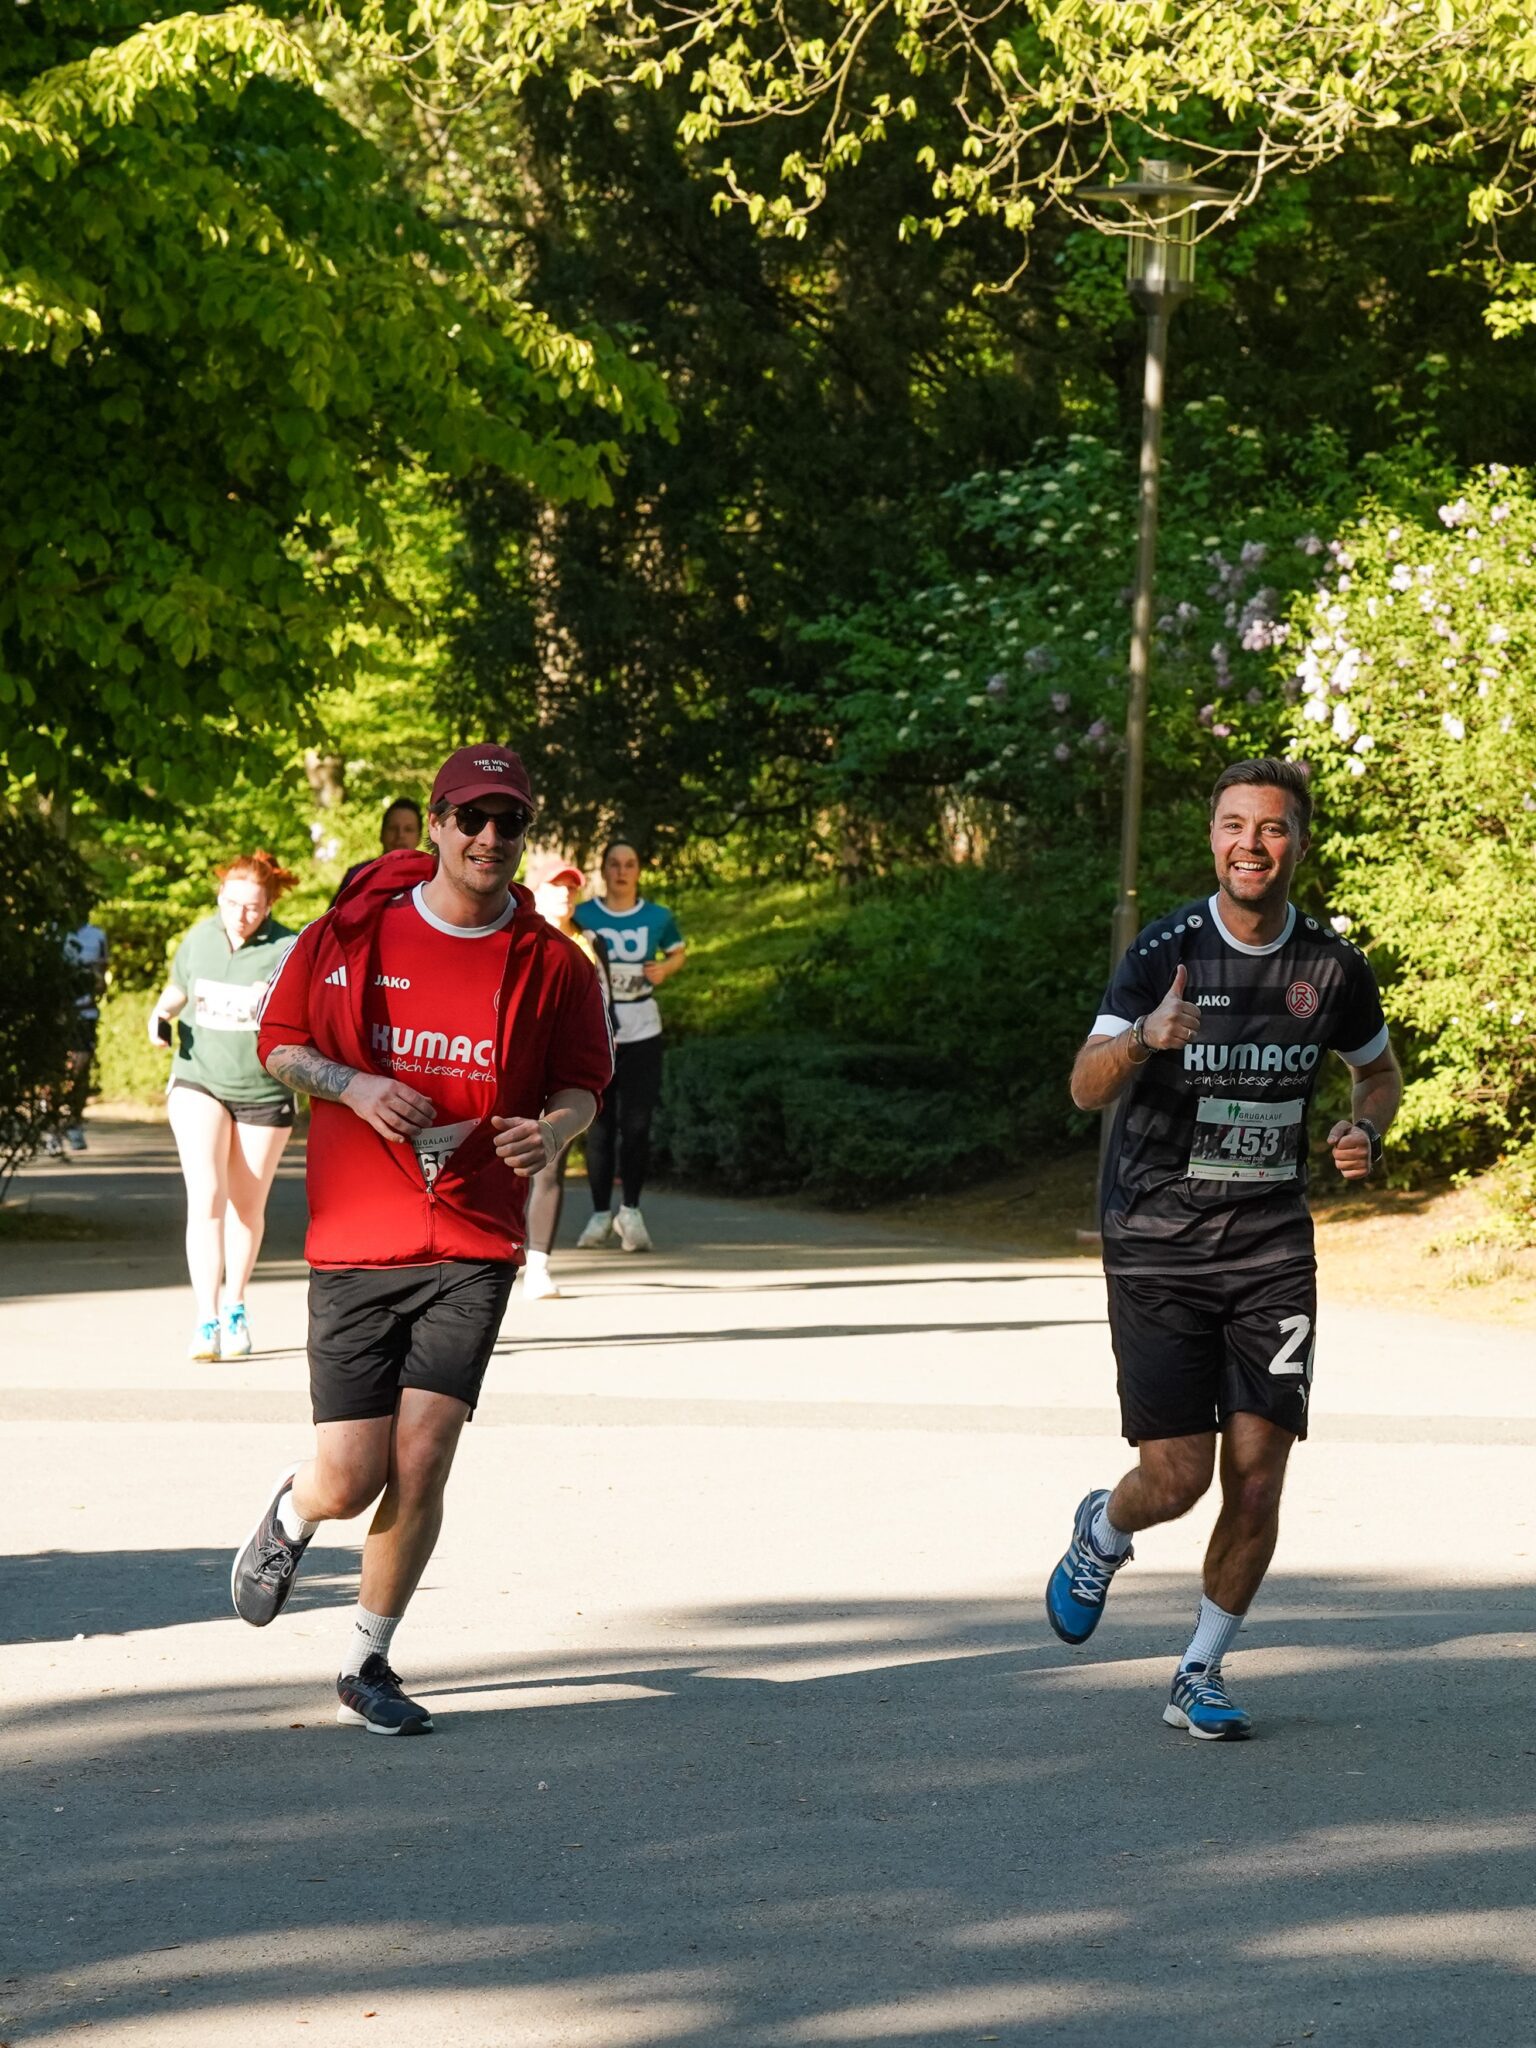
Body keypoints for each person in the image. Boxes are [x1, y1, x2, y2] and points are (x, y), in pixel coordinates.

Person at [233, 744, 613, 1737]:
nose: (490, 836)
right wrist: (354, 1085)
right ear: (438, 824)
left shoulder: (554, 965)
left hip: (474, 1238)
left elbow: (582, 1086)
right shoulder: (349, 933)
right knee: (351, 1474)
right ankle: (295, 1510)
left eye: (509, 821)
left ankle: (367, 1658)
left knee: (426, 1450)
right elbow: (278, 1044)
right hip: (358, 1236)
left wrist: (555, 1131)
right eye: (471, 817)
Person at [1045, 758, 1401, 1741]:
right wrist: (1146, 1036)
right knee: (1178, 1479)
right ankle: (1103, 1529)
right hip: (1157, 1241)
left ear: (1298, 844)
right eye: (1234, 824)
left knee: (1257, 1476)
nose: (1252, 843)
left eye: (1272, 827)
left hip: (1270, 1248)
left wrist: (1365, 1129)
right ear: (1213, 838)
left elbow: (1377, 1073)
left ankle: (1199, 1668)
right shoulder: (1163, 952)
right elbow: (1083, 1084)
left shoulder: (1332, 967)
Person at [148, 853, 300, 1361]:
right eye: (232, 904)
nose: (241, 915)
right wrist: (161, 1012)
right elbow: (179, 988)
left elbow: (306, 1011)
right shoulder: (199, 938)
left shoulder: (288, 946)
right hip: (199, 1079)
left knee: (246, 1207)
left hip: (263, 1090)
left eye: (253, 907)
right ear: (219, 897)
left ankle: (235, 1304)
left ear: (269, 905)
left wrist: (270, 997)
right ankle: (206, 1318)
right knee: (207, 1195)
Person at [572, 839, 685, 1252]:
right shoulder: (583, 915)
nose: (622, 871)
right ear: (603, 869)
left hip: (642, 1028)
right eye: (614, 864)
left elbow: (678, 951)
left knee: (637, 1124)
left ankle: (631, 1210)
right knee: (599, 1124)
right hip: (596, 1031)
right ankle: (600, 1213)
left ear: (639, 871)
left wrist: (665, 968)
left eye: (630, 864)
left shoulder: (658, 916)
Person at [522, 854, 613, 1301]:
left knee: (549, 1160)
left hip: (564, 1070)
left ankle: (538, 1265)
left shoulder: (589, 942)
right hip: (516, 1062)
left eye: (571, 887)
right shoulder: (517, 936)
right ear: (535, 891)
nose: (565, 894)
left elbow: (605, 1005)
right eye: (555, 886)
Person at [48, 913, 109, 1154]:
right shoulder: (52, 931)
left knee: (80, 1067)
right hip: (57, 1015)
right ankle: (52, 1127)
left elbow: (102, 976)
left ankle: (73, 1121)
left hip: (85, 1013)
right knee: (54, 1069)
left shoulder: (97, 935)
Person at [331, 796, 423, 903]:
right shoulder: (358, 876)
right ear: (381, 834)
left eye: (408, 829)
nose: (400, 835)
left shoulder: (429, 880)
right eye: (393, 828)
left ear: (419, 838)